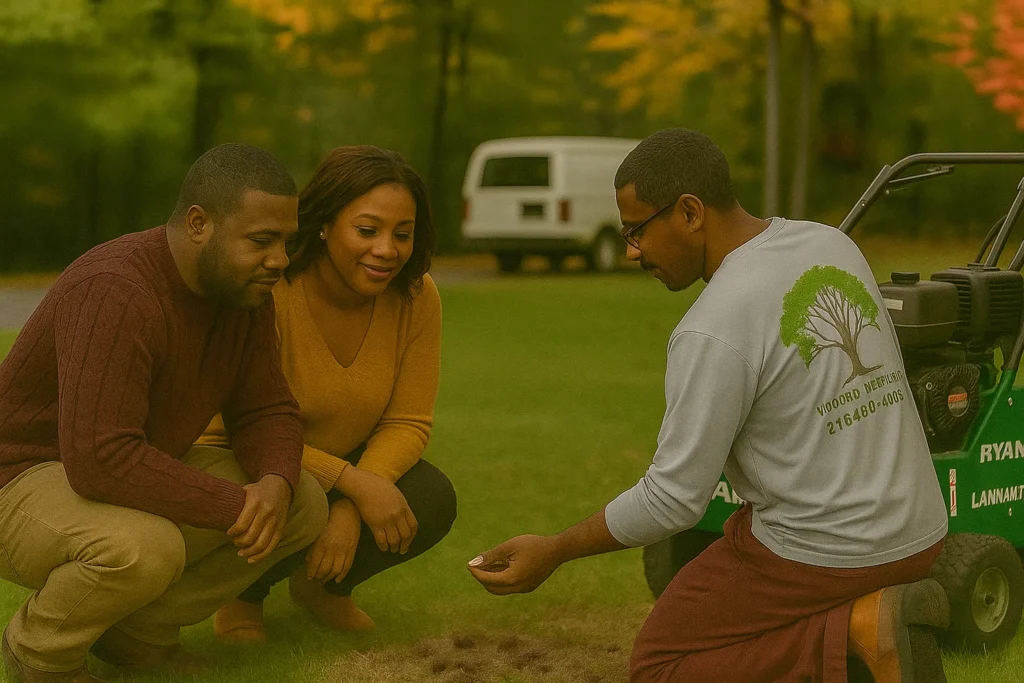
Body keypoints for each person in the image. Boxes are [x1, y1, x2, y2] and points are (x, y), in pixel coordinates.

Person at [467, 129, 950, 683]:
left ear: (690, 212)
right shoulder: (828, 243)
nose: (632, 251)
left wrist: (555, 548)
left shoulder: (713, 325)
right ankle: (867, 640)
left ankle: (857, 630)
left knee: (661, 667)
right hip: (922, 532)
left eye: (637, 230)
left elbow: (673, 501)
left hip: (831, 553)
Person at [0, 144, 329, 683]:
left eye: (286, 242)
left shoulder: (242, 292)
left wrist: (273, 482)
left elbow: (266, 408)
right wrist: (233, 505)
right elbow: (98, 458)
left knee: (302, 502)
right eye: (261, 241)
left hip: (119, 466)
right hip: (20, 475)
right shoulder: (115, 289)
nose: (280, 260)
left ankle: (133, 637)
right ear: (198, 223)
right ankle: (40, 656)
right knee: (143, 548)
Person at [205, 145, 456, 641]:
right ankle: (240, 596)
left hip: (340, 466)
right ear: (322, 225)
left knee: (429, 497)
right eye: (367, 230)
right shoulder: (269, 292)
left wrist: (350, 502)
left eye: (402, 234)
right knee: (291, 494)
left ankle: (323, 587)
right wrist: (352, 485)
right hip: (247, 461)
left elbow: (408, 421)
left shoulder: (416, 296)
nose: (387, 249)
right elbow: (237, 430)